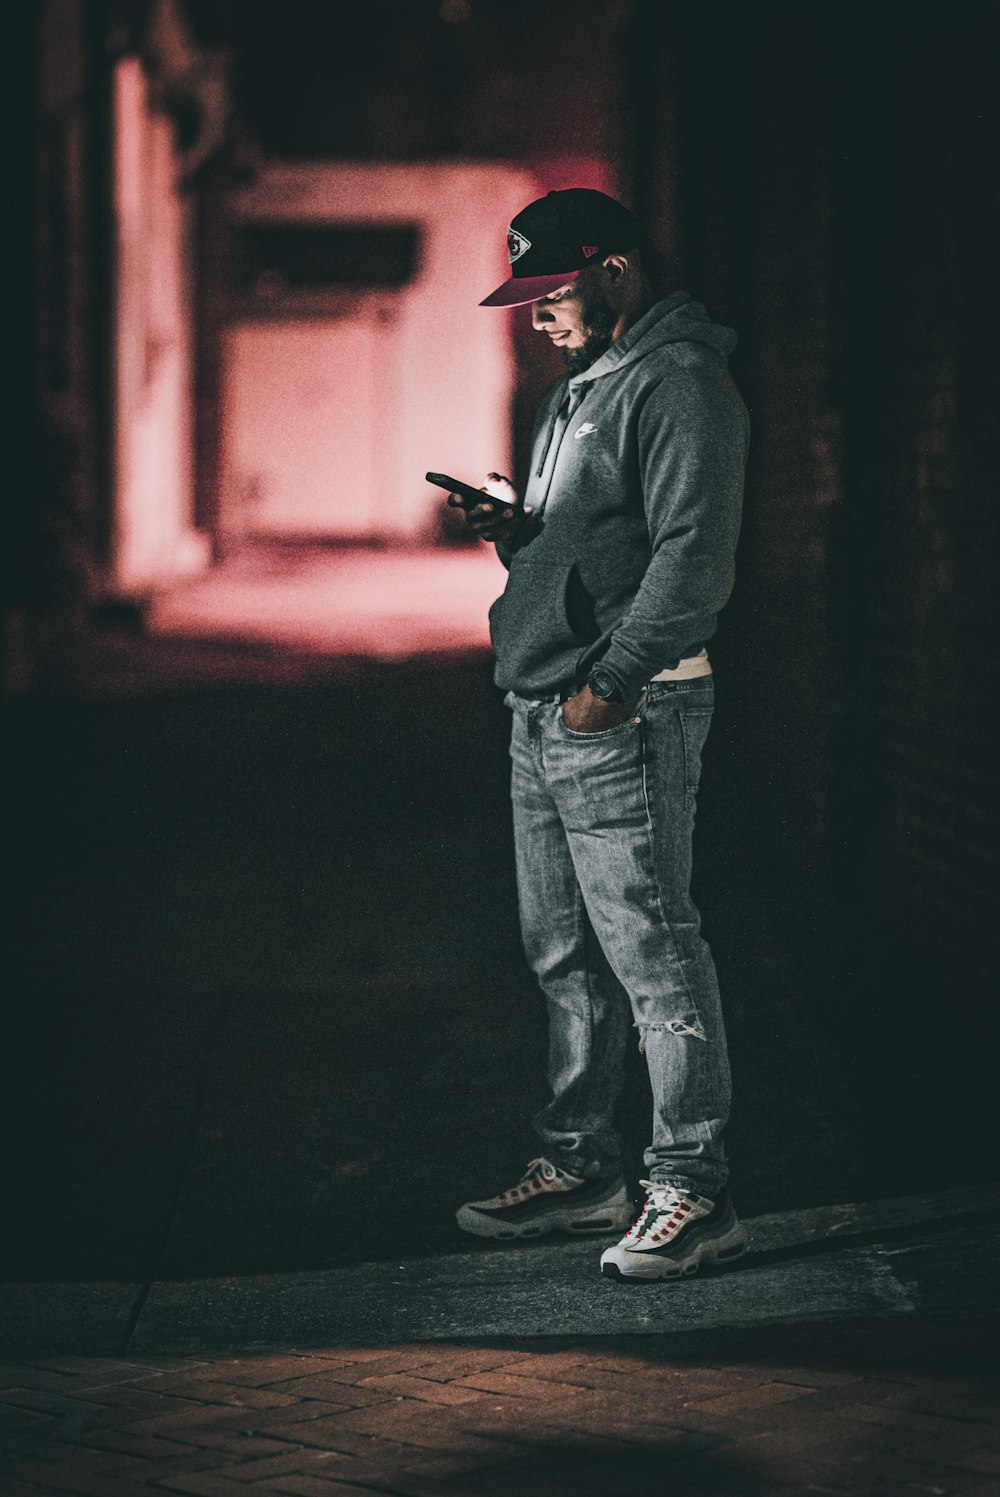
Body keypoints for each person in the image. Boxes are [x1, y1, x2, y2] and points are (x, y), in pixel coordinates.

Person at [451, 188, 750, 1281]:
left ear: (614, 270)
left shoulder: (681, 386)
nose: (535, 315)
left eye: (551, 291)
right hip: (544, 704)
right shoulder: (581, 388)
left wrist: (609, 686)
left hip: (620, 708)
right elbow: (590, 551)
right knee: (564, 955)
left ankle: (691, 1188)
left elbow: (691, 561)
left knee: (653, 951)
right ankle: (582, 1170)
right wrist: (515, 535)